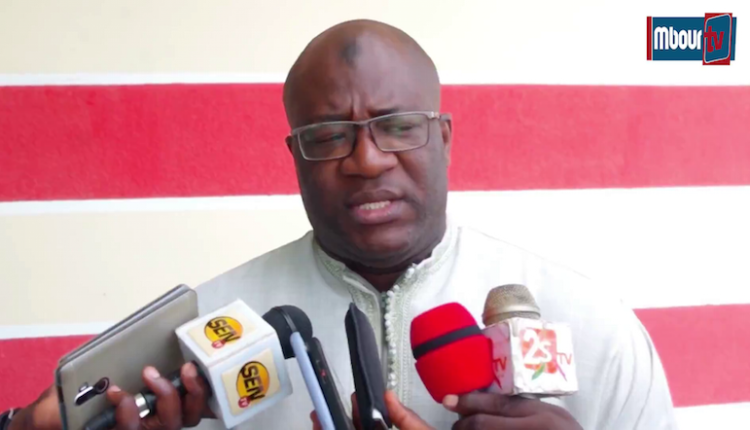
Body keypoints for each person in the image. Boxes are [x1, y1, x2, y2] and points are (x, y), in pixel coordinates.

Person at [2, 19, 678, 430]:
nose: (366, 159)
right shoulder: (200, 340)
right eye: (328, 136)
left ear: (443, 138)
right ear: (295, 156)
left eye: (398, 126)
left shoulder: (594, 325)